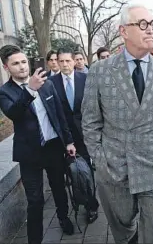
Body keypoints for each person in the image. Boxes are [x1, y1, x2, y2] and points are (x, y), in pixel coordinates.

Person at [81, 5, 153, 244]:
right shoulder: (100, 71)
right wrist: (100, 159)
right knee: (123, 228)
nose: (150, 30)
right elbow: (90, 122)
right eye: (142, 24)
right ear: (123, 31)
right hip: (115, 166)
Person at [0, 45, 76, 244]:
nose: (22, 67)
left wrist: (69, 141)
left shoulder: (46, 84)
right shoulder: (3, 92)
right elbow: (14, 113)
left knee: (59, 188)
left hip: (53, 147)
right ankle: (35, 239)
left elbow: (58, 115)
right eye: (15, 64)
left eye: (23, 62)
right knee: (35, 200)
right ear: (6, 67)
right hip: (29, 154)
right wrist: (30, 89)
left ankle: (63, 218)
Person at [49, 47, 100, 224]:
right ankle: (70, 208)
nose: (64, 64)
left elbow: (94, 106)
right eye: (60, 61)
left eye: (67, 61)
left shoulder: (85, 79)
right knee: (67, 174)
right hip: (61, 136)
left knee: (86, 172)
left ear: (74, 61)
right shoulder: (51, 83)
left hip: (83, 134)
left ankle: (92, 205)